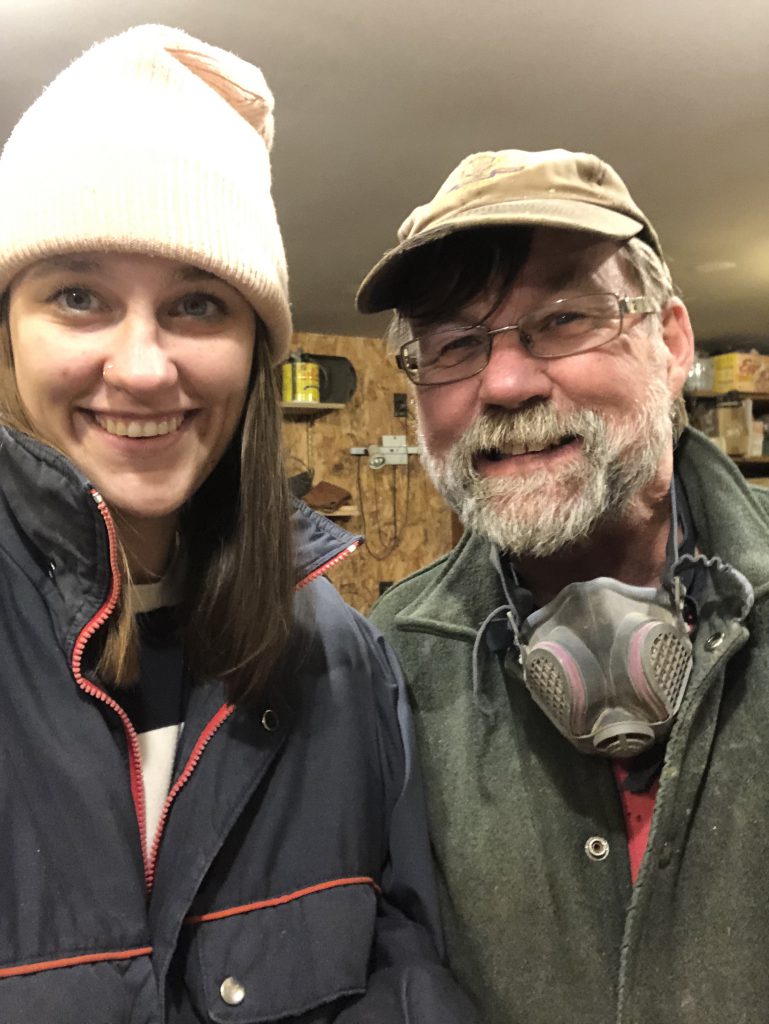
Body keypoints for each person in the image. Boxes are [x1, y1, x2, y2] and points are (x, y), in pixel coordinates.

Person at [0, 25, 477, 1023]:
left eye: (198, 304)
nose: (140, 367)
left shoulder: (341, 665)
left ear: (256, 351)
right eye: (78, 296)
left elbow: (403, 972)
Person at [356, 147, 769, 1024]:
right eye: (455, 344)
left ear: (671, 342)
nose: (504, 383)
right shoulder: (388, 661)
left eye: (564, 318)